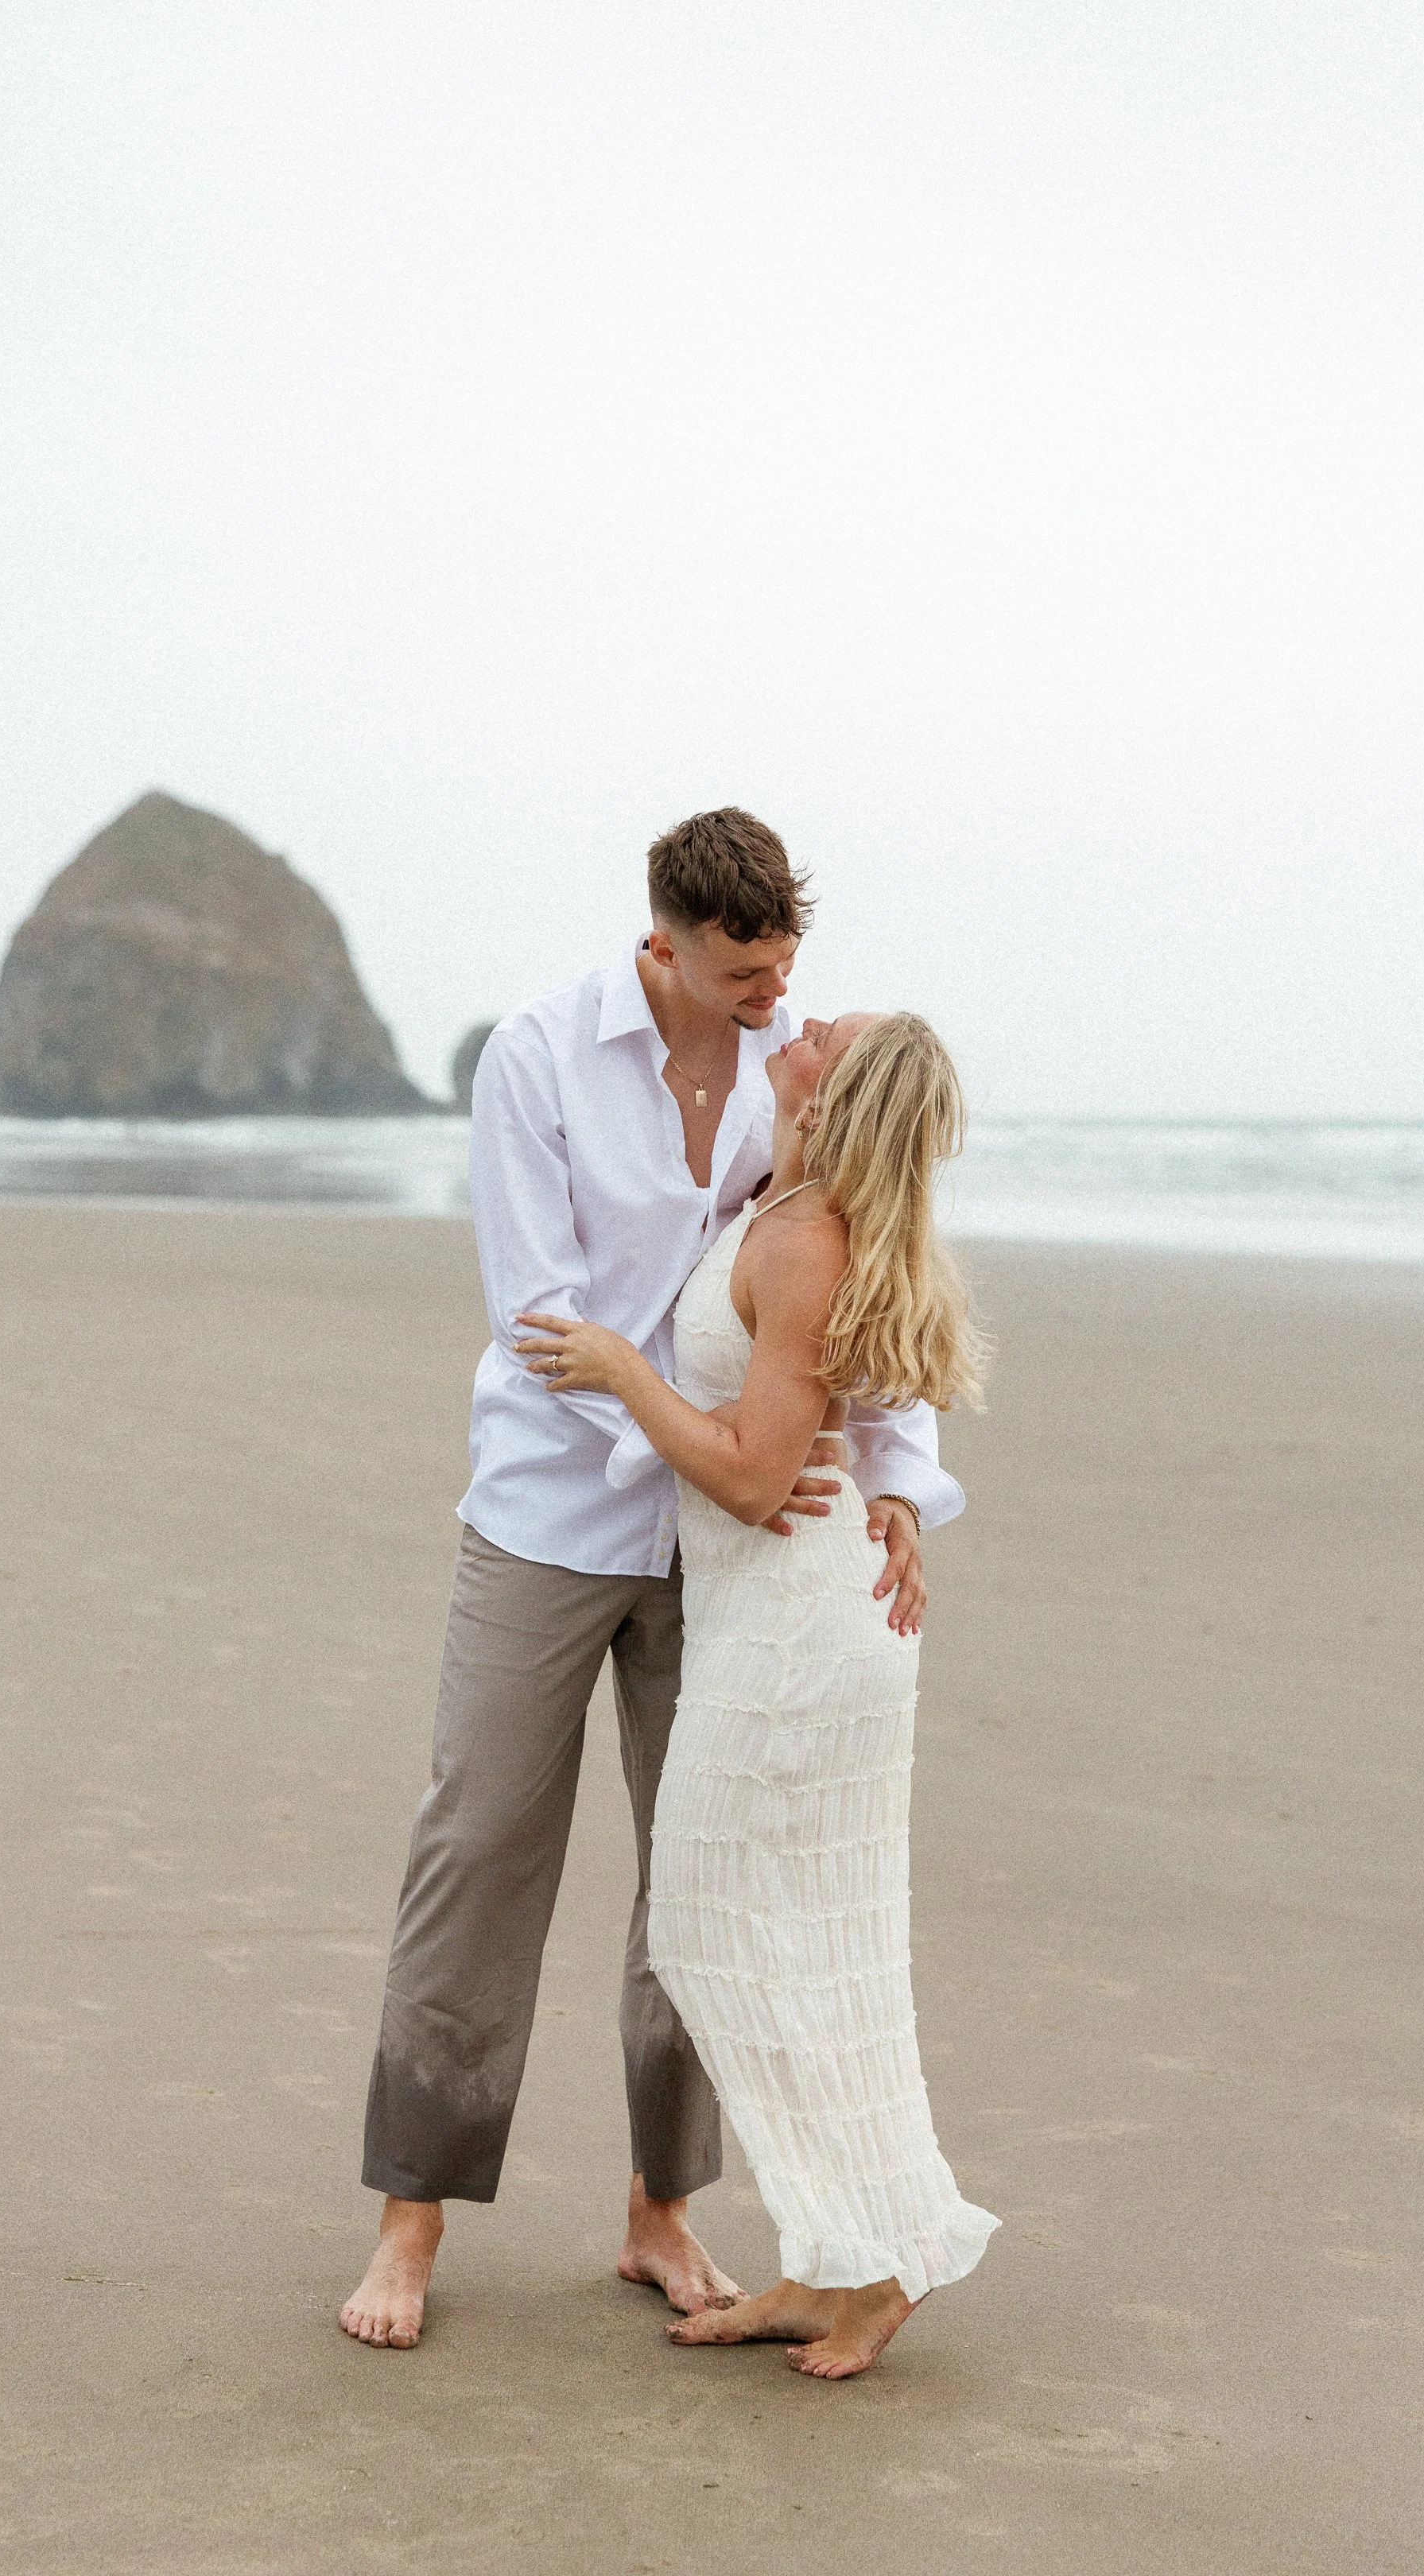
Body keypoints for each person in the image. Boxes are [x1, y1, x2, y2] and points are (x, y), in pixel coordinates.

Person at [340, 812, 964, 2352]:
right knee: (478, 1842)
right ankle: (411, 2219)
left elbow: (855, 1287)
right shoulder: (539, 1062)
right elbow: (546, 1325)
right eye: (748, 972)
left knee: (691, 1878)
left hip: (722, 1552)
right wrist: (716, 1443)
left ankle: (661, 2207)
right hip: (553, 1517)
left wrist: (890, 1484)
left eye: (786, 971)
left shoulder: (800, 1075)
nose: (775, 999)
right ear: (666, 941)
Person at [516, 1011, 997, 2379]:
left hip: (803, 1632)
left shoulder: (804, 1239)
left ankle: (884, 2262)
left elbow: (745, 1470)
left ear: (835, 1093)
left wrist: (622, 1369)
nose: (809, 1019)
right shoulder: (780, 1196)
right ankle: (831, 2260)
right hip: (780, 1621)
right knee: (793, 1940)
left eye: (831, 1033)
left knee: (727, 1930)